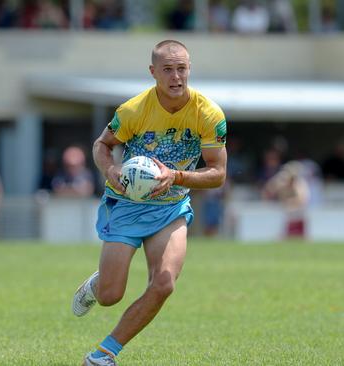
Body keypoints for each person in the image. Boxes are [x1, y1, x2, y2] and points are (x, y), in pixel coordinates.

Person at [72, 40, 227, 366]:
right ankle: (99, 283)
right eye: (167, 70)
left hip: (171, 208)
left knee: (164, 282)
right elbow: (103, 144)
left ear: (189, 70)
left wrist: (177, 176)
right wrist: (110, 168)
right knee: (111, 296)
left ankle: (103, 354)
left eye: (182, 69)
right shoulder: (133, 111)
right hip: (127, 204)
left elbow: (218, 173)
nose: (176, 77)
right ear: (153, 72)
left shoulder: (208, 114)